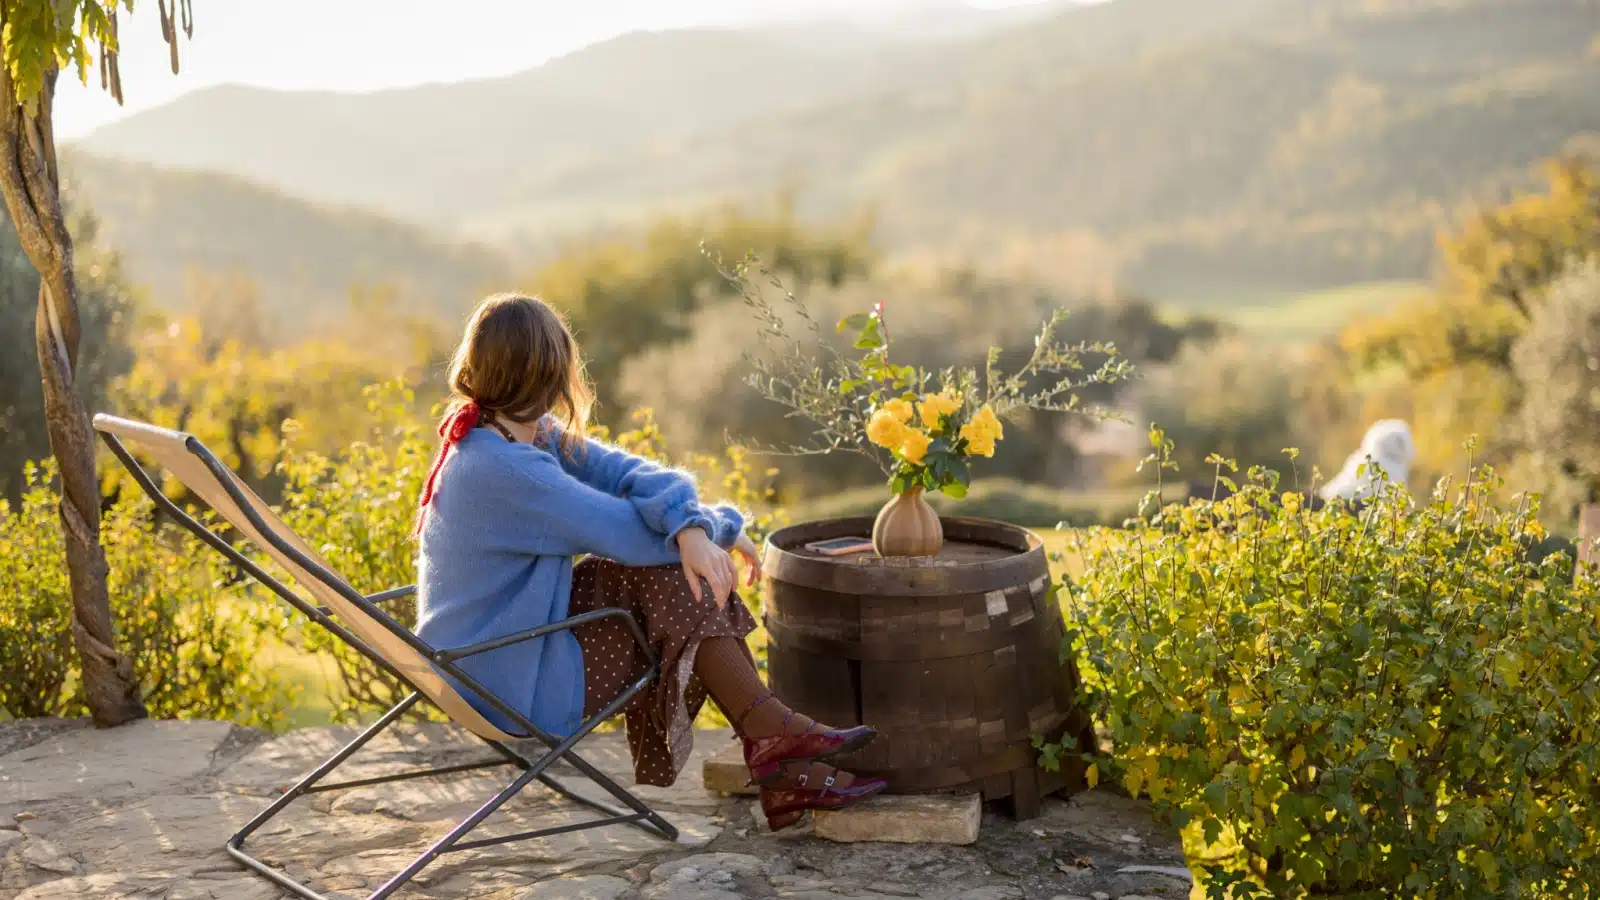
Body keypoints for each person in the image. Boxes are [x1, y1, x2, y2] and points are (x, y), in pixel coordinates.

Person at [414, 292, 887, 830]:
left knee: (674, 565)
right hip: (505, 679)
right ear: (549, 374)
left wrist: (692, 525)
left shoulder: (507, 435)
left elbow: (631, 474)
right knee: (673, 574)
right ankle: (776, 742)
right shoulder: (505, 470)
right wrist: (718, 530)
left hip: (507, 641)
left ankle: (776, 743)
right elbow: (626, 535)